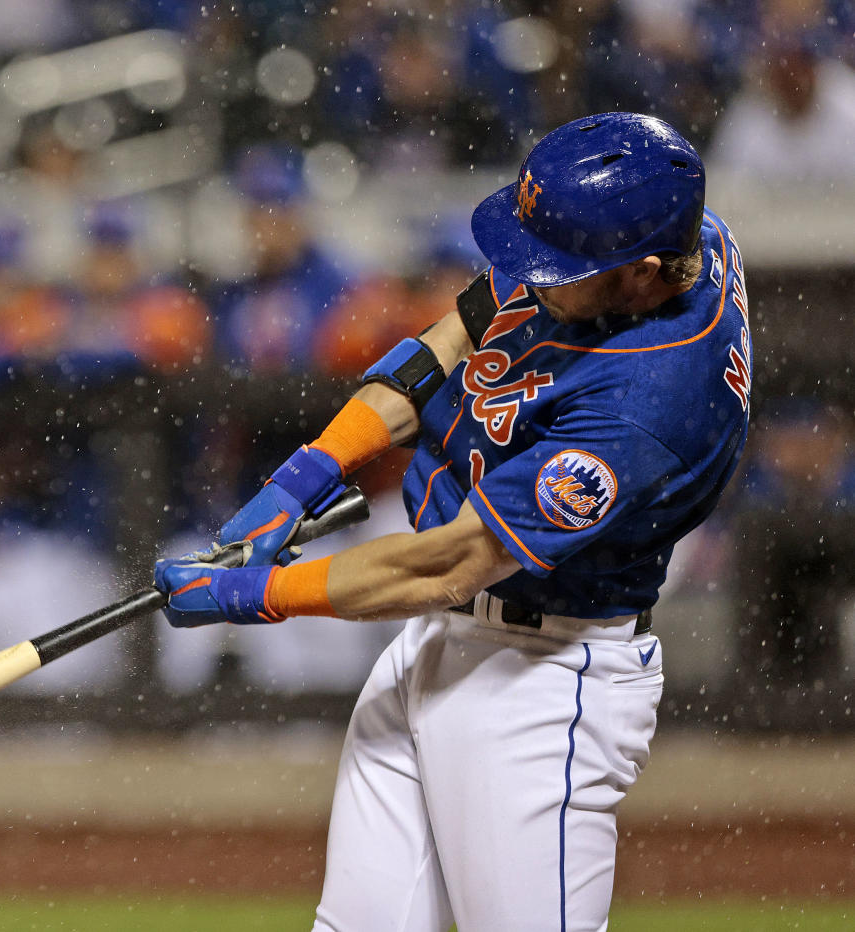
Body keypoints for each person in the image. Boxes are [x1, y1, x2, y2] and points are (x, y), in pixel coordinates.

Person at [154, 112, 751, 930]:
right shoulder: (674, 231)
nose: (531, 279)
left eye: (558, 268)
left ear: (644, 275)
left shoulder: (648, 409)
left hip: (543, 679)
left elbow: (451, 563)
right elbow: (459, 331)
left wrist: (255, 594)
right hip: (436, 644)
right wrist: (306, 474)